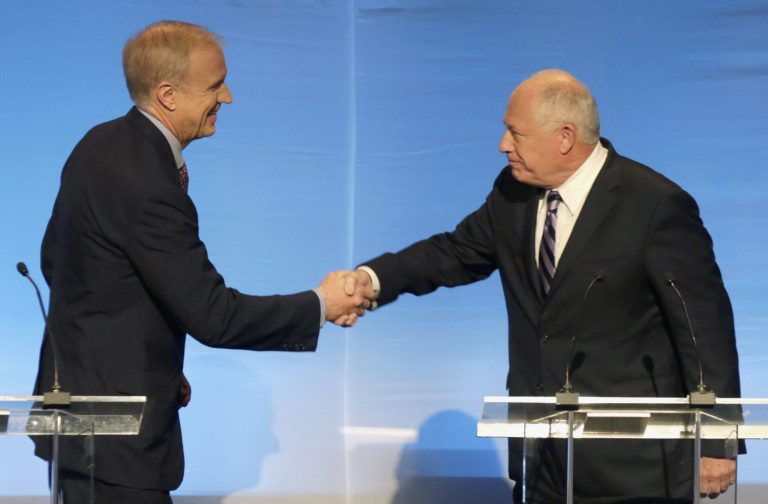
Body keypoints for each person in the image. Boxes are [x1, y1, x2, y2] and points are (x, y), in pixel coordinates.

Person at [351, 69, 742, 503]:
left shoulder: (653, 204)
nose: (503, 145)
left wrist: (717, 440)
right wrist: (369, 281)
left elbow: (703, 326)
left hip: (637, 466)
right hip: (541, 457)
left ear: (564, 137)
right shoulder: (512, 193)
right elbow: (454, 253)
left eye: (515, 133)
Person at [33, 20, 371, 504]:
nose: (227, 97)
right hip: (115, 436)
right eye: (215, 85)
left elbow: (59, 264)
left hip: (84, 420)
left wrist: (145, 355)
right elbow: (214, 317)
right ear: (168, 94)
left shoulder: (100, 143)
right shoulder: (146, 179)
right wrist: (321, 304)